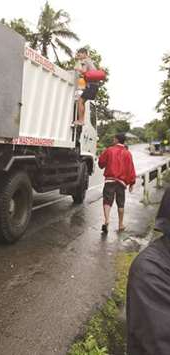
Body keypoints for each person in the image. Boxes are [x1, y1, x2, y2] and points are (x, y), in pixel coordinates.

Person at [127, 188, 170, 355]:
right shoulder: (151, 272)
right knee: (117, 203)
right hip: (118, 183)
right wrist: (130, 181)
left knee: (110, 203)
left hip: (112, 182)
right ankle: (116, 222)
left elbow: (102, 163)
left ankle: (109, 221)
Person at [98, 133, 136, 234]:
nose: (112, 140)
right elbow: (131, 169)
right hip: (122, 182)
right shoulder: (128, 153)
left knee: (107, 201)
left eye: (113, 138)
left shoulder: (109, 150)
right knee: (121, 203)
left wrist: (102, 162)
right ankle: (120, 224)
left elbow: (101, 163)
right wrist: (132, 183)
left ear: (116, 140)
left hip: (110, 180)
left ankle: (106, 220)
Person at [74, 47, 98, 125]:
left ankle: (81, 120)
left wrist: (78, 68)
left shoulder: (85, 61)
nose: (78, 56)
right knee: (82, 102)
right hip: (94, 86)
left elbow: (83, 71)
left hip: (91, 85)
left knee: (80, 101)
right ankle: (82, 120)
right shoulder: (89, 61)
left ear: (84, 54)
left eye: (79, 54)